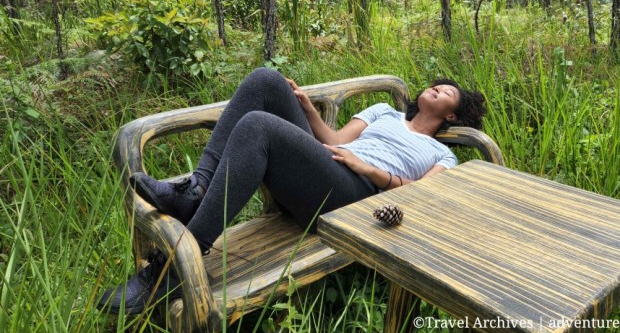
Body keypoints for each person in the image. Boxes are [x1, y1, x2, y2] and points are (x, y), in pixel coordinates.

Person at [97, 67, 486, 314]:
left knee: (258, 126)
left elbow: (419, 192)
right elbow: (334, 139)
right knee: (265, 80)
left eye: (445, 92)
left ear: (452, 115)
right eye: (434, 85)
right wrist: (307, 110)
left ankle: (174, 268)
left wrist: (370, 170)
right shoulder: (384, 111)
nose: (435, 88)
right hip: (323, 168)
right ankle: (195, 192)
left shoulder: (441, 154)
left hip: (356, 196)